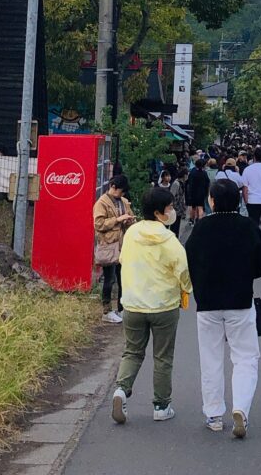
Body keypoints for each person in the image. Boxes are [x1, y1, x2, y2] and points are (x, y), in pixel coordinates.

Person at [185, 179, 261, 439]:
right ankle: (240, 409)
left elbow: (189, 260)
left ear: (211, 200)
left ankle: (213, 414)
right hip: (240, 302)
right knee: (245, 357)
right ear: (239, 200)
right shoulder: (248, 227)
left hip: (207, 304)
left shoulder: (201, 229)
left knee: (210, 358)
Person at [111, 187, 192, 425]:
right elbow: (183, 270)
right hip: (164, 305)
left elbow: (123, 260)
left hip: (133, 304)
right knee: (162, 357)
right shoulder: (170, 240)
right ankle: (161, 405)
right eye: (169, 208)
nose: (172, 211)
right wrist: (186, 289)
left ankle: (121, 391)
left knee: (132, 352)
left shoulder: (132, 233)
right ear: (159, 213)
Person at [93, 175, 134, 324]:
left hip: (123, 245)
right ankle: (107, 310)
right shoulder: (101, 203)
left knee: (123, 278)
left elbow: (129, 218)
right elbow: (98, 224)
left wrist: (129, 220)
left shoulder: (123, 201)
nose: (121, 195)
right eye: (120, 191)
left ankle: (121, 309)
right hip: (109, 245)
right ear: (113, 186)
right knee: (109, 279)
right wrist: (117, 220)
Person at [187, 158, 210, 224]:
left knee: (193, 207)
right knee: (200, 208)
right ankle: (200, 222)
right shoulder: (204, 173)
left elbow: (189, 182)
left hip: (193, 192)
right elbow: (207, 183)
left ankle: (191, 220)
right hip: (201, 193)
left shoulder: (192, 172)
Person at [169, 169, 187, 237]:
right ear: (184, 175)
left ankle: (176, 237)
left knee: (177, 224)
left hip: (179, 207)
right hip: (175, 207)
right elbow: (172, 195)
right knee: (174, 225)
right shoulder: (176, 183)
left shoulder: (181, 183)